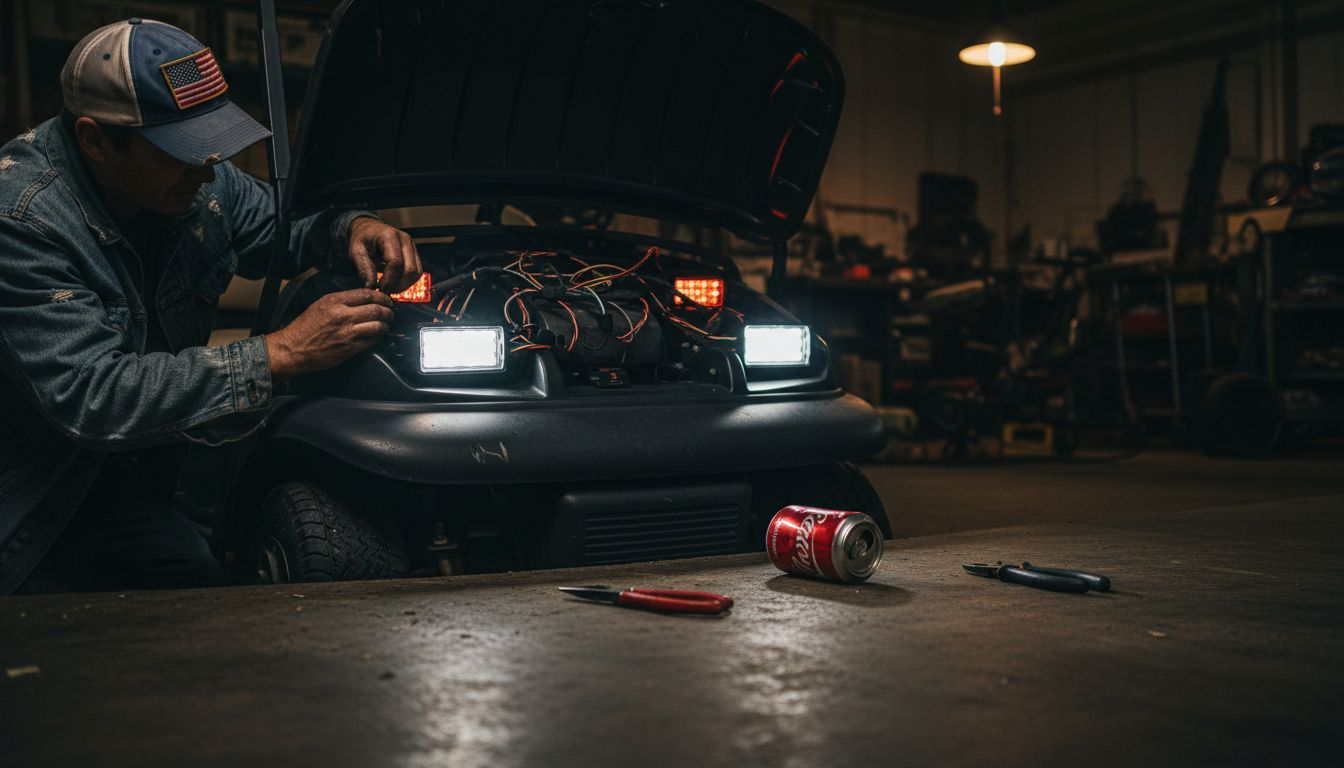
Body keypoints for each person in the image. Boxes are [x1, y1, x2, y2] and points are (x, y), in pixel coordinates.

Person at [0, 19, 423, 593]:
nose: (207, 169)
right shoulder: (22, 221)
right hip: (30, 499)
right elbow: (92, 397)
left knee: (200, 594)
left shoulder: (200, 185)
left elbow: (284, 225)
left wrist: (353, 224)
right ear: (95, 138)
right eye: (181, 151)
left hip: (130, 476)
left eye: (210, 144)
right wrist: (282, 353)